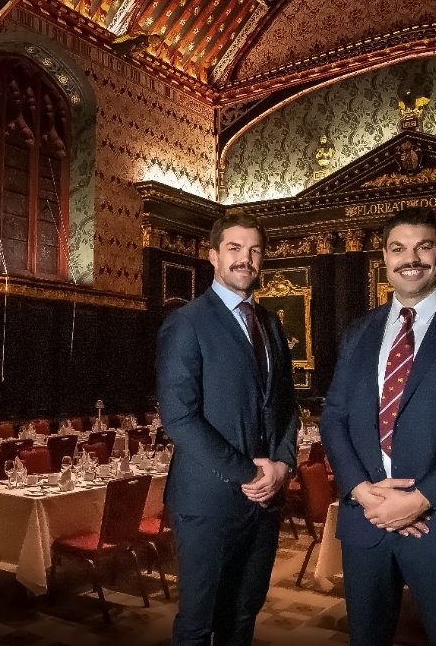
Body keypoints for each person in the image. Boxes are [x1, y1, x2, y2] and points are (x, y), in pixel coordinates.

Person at [320, 206, 436, 646]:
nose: (411, 258)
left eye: (422, 247)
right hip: (365, 516)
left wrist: (420, 499)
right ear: (384, 258)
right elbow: (333, 417)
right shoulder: (359, 331)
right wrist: (361, 490)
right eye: (398, 248)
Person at [156, 209, 299, 645]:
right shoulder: (187, 322)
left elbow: (287, 407)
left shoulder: (270, 323)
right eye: (234, 249)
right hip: (209, 502)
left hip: (264, 503)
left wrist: (284, 464)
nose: (245, 259)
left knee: (242, 617)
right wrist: (248, 472)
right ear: (213, 255)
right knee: (199, 625)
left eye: (254, 251)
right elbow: (179, 417)